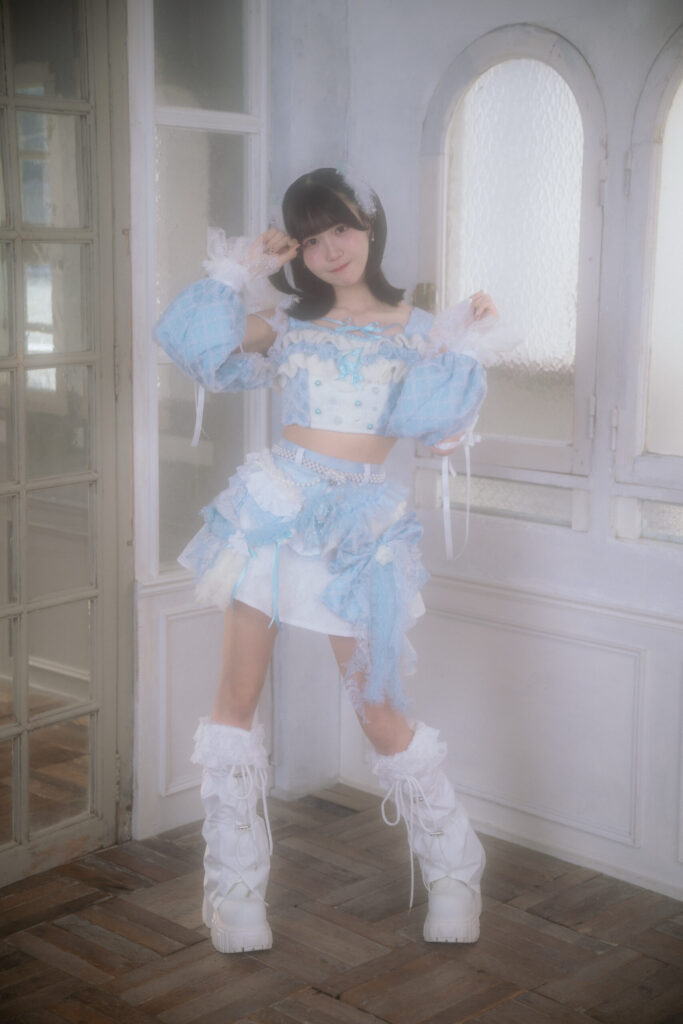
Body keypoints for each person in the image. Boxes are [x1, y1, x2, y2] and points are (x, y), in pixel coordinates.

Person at [156, 167, 514, 956]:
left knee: (377, 709)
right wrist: (241, 268)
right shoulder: (286, 322)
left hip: (359, 530)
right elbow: (196, 346)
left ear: (369, 227)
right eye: (311, 238)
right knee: (235, 701)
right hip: (275, 511)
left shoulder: (423, 328)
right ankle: (235, 889)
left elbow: (438, 433)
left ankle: (455, 871)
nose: (330, 249)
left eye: (341, 228)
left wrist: (468, 343)